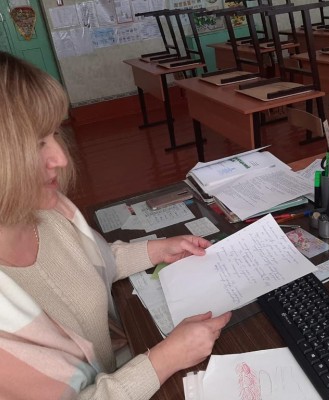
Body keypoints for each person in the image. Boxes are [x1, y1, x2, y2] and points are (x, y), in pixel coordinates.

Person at [0, 51, 232, 399]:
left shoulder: (48, 213)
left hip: (117, 369)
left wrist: (158, 250)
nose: (60, 158)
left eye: (55, 133)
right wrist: (165, 359)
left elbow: (90, 261)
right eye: (37, 144)